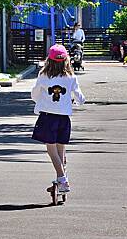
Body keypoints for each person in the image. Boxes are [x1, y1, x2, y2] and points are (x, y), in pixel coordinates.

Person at [31, 44, 86, 193]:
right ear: (66, 60)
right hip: (64, 118)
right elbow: (80, 97)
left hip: (48, 117)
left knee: (51, 148)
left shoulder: (43, 76)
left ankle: (62, 178)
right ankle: (62, 176)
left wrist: (41, 100)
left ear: (49, 60)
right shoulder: (71, 77)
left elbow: (34, 94)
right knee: (61, 148)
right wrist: (75, 101)